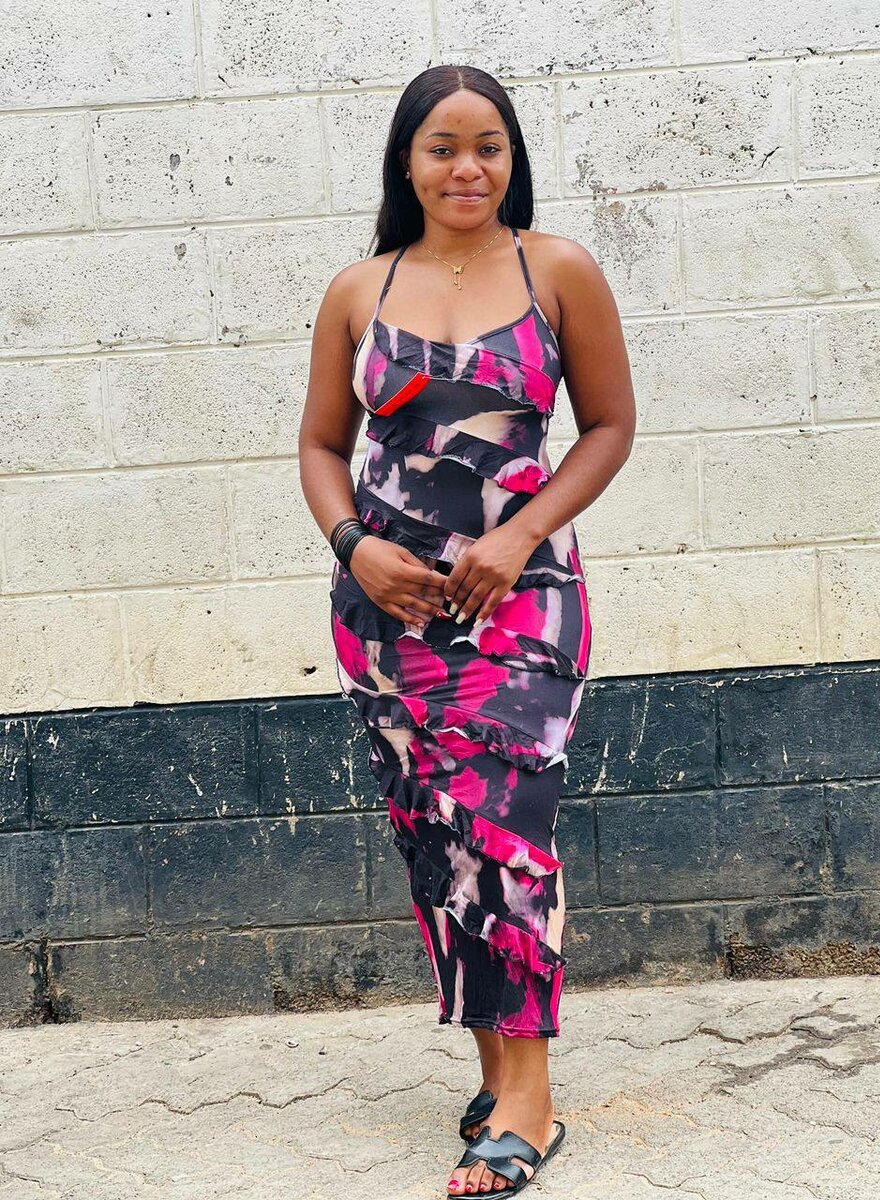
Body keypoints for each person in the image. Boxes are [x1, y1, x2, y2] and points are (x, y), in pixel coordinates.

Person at [299, 63, 635, 1197]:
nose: (467, 167)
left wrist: (520, 533)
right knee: (436, 837)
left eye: (488, 146)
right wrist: (354, 544)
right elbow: (320, 445)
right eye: (442, 147)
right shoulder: (360, 288)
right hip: (389, 615)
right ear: (407, 161)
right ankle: (498, 1072)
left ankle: (529, 1099)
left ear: (512, 157)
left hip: (522, 602)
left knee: (506, 832)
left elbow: (609, 425)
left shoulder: (557, 270)